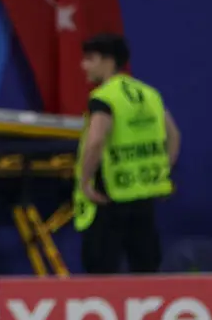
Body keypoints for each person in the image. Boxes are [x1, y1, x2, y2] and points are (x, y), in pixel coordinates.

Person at [75, 33, 181, 275]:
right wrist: (161, 170)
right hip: (143, 196)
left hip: (110, 197)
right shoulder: (149, 94)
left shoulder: (104, 98)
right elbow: (174, 135)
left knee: (101, 275)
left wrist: (85, 181)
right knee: (146, 271)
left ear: (108, 61)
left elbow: (96, 140)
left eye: (90, 59)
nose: (84, 65)